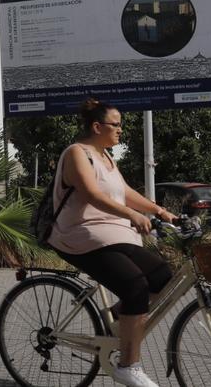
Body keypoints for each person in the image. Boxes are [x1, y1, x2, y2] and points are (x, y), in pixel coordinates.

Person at [48, 98, 178, 387]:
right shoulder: (77, 154)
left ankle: (121, 317)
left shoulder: (106, 156)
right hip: (80, 235)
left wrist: (157, 210)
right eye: (116, 125)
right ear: (97, 126)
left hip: (113, 234)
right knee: (135, 285)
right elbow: (94, 195)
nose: (121, 130)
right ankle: (128, 366)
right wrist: (132, 214)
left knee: (162, 277)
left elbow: (124, 191)